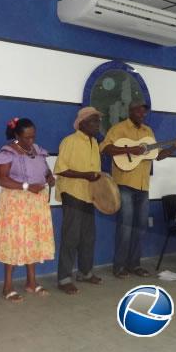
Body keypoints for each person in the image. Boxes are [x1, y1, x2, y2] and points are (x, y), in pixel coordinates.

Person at [101, 100, 176, 279]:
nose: (142, 115)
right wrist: (132, 149)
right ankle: (119, 267)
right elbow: (106, 148)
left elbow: (157, 155)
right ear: (131, 111)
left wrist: (174, 147)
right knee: (125, 228)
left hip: (143, 186)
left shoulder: (148, 132)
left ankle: (135, 264)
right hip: (124, 184)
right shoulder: (119, 129)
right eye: (139, 111)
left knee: (140, 228)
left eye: (144, 112)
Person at [0, 117, 55, 302]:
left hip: (36, 203)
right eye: (26, 137)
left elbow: (45, 171)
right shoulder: (8, 151)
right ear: (16, 135)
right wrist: (27, 186)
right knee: (14, 241)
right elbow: (0, 179)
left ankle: (31, 282)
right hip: (16, 203)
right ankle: (8, 286)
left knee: (33, 240)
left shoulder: (37, 150)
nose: (30, 141)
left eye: (33, 137)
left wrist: (49, 178)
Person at [54, 107, 103, 294]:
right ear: (81, 123)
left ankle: (85, 272)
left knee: (88, 237)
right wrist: (85, 175)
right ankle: (64, 278)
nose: (97, 125)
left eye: (98, 121)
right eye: (94, 121)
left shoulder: (94, 143)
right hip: (73, 193)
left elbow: (94, 173)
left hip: (89, 195)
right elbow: (60, 169)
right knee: (71, 238)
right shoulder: (70, 141)